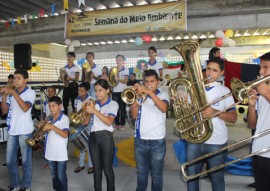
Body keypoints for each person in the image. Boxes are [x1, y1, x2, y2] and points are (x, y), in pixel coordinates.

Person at [186, 58, 237, 191]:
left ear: (221, 72)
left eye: (215, 70)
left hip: (216, 141)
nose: (210, 73)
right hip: (195, 140)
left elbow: (233, 117)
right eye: (208, 69)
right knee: (192, 177)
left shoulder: (225, 91)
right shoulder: (194, 89)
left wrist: (216, 112)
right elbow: (187, 114)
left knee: (217, 178)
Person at [130, 69, 170, 191]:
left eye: (152, 81)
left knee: (156, 175)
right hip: (140, 141)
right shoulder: (141, 95)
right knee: (141, 174)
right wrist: (134, 101)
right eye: (146, 82)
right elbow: (134, 115)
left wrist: (149, 92)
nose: (149, 84)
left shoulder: (163, 94)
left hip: (157, 142)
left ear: (158, 82)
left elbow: (163, 108)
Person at [1, 70, 36, 191]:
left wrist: (13, 93)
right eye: (14, 78)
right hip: (12, 130)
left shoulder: (30, 92)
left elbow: (25, 108)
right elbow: (4, 111)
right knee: (10, 161)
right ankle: (15, 185)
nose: (15, 81)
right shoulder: (12, 93)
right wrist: (4, 97)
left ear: (26, 80)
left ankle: (26, 186)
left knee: (26, 161)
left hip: (25, 131)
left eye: (18, 78)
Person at [85, 79, 119, 191]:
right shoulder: (94, 104)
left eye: (100, 90)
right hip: (93, 137)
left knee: (108, 169)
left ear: (107, 90)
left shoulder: (113, 104)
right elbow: (85, 122)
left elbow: (109, 121)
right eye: (96, 91)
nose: (97, 93)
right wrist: (87, 112)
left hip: (106, 137)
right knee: (97, 168)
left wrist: (94, 111)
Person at [247, 52, 270, 191]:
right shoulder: (262, 91)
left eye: (265, 67)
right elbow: (252, 125)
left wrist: (266, 93)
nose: (260, 71)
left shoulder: (265, 91)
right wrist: (251, 105)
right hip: (258, 151)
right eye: (260, 67)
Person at [42, 96, 69, 191]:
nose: (51, 109)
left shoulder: (65, 118)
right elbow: (47, 133)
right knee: (54, 176)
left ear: (60, 106)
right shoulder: (49, 119)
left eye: (53, 106)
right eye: (49, 106)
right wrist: (43, 129)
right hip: (50, 153)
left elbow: (65, 135)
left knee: (61, 176)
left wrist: (52, 127)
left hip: (60, 154)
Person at [73, 82, 94, 174]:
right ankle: (81, 164)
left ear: (87, 91)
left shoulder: (90, 100)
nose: (80, 92)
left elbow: (91, 113)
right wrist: (76, 120)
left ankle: (91, 165)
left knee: (89, 145)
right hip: (79, 124)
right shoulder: (76, 100)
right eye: (79, 90)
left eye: (82, 91)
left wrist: (85, 120)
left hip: (88, 124)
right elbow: (75, 111)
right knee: (81, 144)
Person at [112, 55, 129, 130]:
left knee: (122, 108)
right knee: (115, 108)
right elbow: (111, 81)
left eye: (120, 60)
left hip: (123, 92)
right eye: (117, 60)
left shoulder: (126, 70)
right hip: (115, 91)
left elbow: (125, 81)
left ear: (123, 61)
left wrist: (118, 79)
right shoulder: (113, 70)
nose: (118, 61)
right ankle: (116, 124)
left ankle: (122, 124)